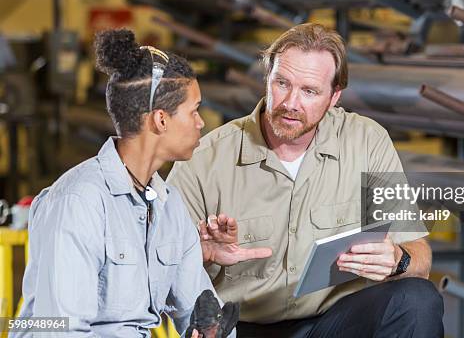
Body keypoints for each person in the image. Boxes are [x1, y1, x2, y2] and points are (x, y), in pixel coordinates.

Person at [167, 23, 444, 337]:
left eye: (309, 91)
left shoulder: (366, 141)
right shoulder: (204, 160)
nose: (290, 103)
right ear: (267, 78)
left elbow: (419, 254)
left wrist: (398, 259)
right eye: (282, 83)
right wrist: (199, 256)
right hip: (241, 327)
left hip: (332, 322)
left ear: (334, 96)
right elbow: (161, 278)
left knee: (418, 299)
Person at [12, 29, 236, 337]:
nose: (201, 123)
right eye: (194, 111)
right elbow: (61, 331)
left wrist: (212, 330)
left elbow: (197, 311)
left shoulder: (169, 206)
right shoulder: (77, 202)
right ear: (161, 120)